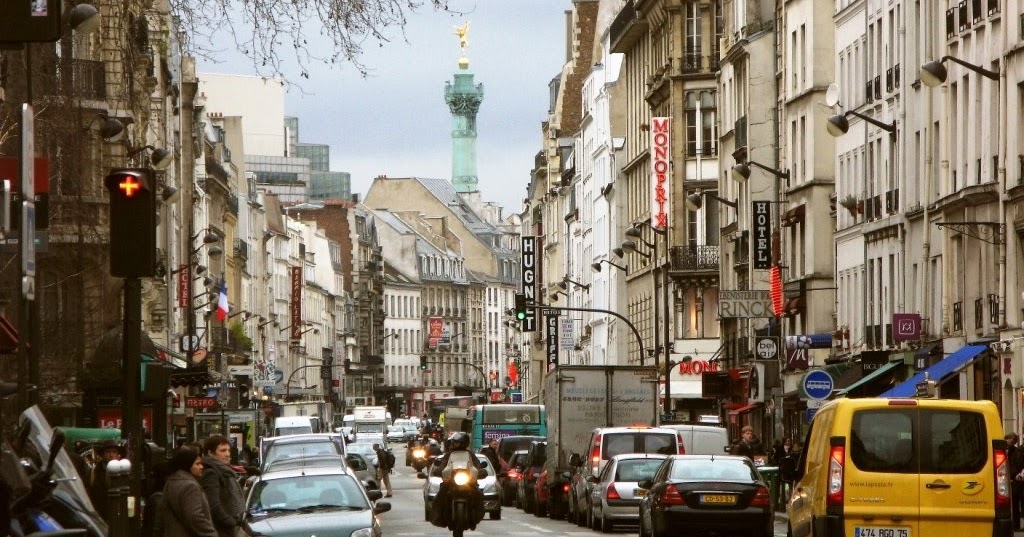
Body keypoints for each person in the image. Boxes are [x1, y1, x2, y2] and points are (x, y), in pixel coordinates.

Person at [156, 445, 218, 537]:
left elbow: (160, 515)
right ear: (187, 465)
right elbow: (195, 517)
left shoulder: (172, 482)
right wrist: (211, 534)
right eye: (197, 464)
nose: (201, 467)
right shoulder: (190, 486)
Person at [430, 432, 486, 530]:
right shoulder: (449, 454)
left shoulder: (470, 454)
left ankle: (476, 516)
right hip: (451, 481)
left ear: (463, 443)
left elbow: (476, 466)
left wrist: (480, 471)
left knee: (479, 495)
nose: (453, 444)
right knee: (439, 497)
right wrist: (439, 470)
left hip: (468, 481)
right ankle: (439, 517)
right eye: (453, 442)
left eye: (456, 442)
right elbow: (443, 465)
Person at [200, 435, 245, 537]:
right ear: (210, 453)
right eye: (223, 451)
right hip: (221, 529)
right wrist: (230, 522)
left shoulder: (224, 470)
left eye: (228, 450)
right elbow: (213, 504)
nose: (228, 454)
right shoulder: (211, 473)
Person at [1008, 433, 1024, 529]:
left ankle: (1017, 524)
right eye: (1013, 440)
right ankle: (1016, 525)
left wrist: (1020, 473)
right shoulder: (1015, 450)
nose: (1014, 442)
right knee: (1015, 502)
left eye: (1015, 440)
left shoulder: (1017, 450)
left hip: (1019, 478)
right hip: (1014, 479)